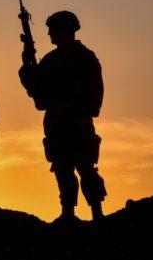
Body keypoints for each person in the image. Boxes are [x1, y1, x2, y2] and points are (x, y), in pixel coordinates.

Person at [19, 11, 106, 222]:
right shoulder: (50, 60)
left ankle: (97, 212)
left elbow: (95, 89)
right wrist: (28, 62)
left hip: (77, 119)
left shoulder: (85, 57)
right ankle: (68, 212)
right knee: (61, 168)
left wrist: (82, 110)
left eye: (53, 30)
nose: (49, 34)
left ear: (64, 30)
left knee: (85, 166)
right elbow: (36, 90)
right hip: (56, 120)